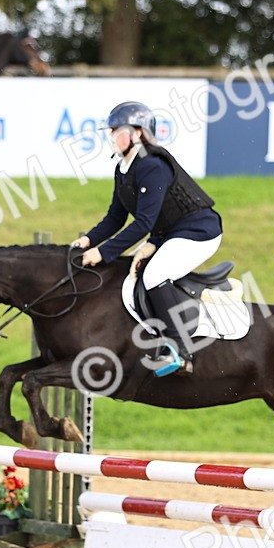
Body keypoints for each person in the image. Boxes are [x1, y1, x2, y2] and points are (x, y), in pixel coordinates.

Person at [73, 102, 224, 377]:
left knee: (154, 275)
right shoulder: (123, 168)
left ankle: (179, 351)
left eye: (117, 130)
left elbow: (143, 223)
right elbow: (115, 218)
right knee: (138, 273)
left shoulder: (153, 165)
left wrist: (103, 253)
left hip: (199, 232)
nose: (111, 136)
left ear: (138, 133)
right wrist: (87, 241)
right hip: (170, 232)